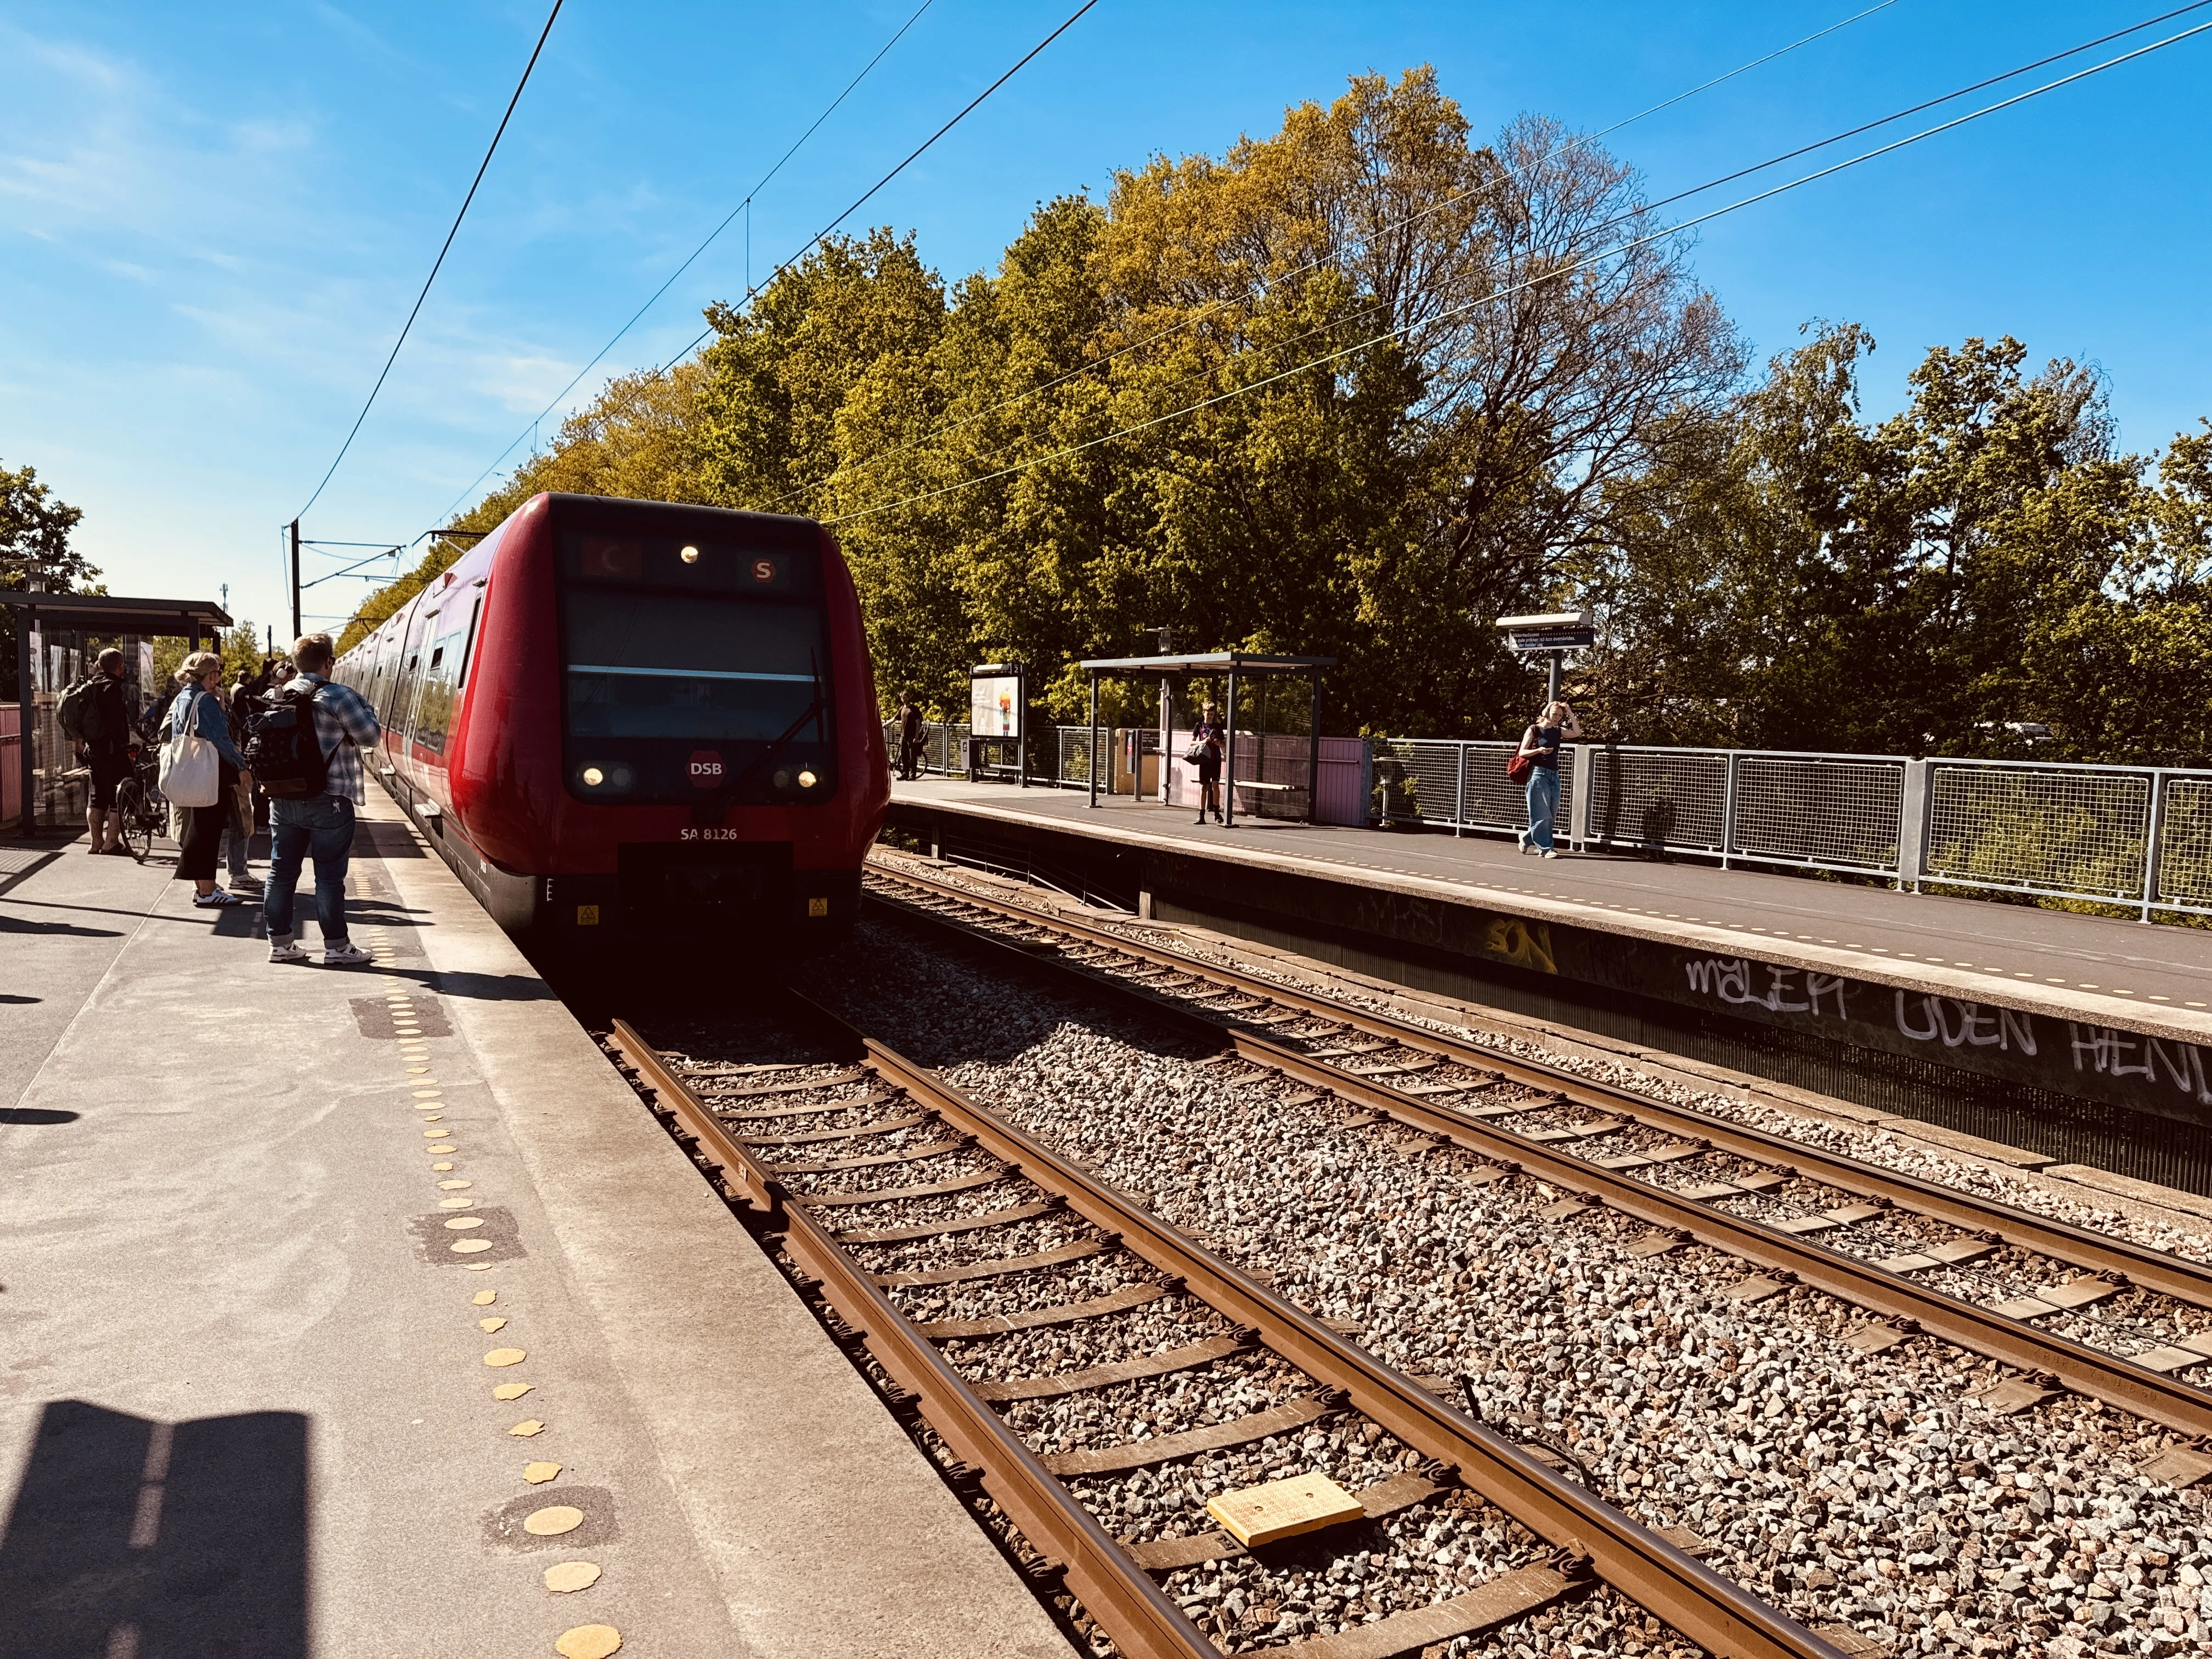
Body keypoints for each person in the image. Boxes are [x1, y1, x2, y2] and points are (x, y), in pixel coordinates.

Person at [263, 633, 381, 967]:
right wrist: (365, 706)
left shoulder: (276, 695)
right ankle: (337, 947)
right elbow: (371, 737)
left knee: (281, 872)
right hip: (329, 799)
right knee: (328, 876)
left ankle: (281, 944)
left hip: (283, 798)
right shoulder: (339, 696)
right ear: (329, 662)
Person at [167, 653, 255, 906]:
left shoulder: (184, 696)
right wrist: (242, 765)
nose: (220, 677)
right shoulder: (204, 700)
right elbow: (221, 739)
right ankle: (207, 891)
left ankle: (203, 887)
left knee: (199, 828)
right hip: (210, 772)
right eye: (218, 673)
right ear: (208, 675)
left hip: (191, 771)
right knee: (209, 831)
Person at [73, 648, 134, 854]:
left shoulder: (89, 687)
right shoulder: (113, 688)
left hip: (93, 751)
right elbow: (115, 724)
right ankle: (111, 843)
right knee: (120, 794)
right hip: (112, 752)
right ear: (120, 666)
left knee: (96, 797)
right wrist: (125, 746)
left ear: (99, 665)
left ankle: (95, 843)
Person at [1516, 699, 1582, 857]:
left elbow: (1577, 733)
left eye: (1560, 715)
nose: (1557, 717)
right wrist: (1539, 750)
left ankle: (1526, 838)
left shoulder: (1558, 731)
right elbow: (1522, 753)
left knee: (1551, 814)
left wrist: (1570, 712)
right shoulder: (1534, 729)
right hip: (1538, 774)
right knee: (1541, 813)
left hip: (1554, 774)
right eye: (1555, 714)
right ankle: (1546, 849)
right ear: (1547, 713)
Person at [1189, 699, 1226, 826]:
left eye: (1212, 714)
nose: (1210, 716)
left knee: (1215, 786)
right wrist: (1203, 741)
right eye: (1207, 714)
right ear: (1203, 713)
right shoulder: (1199, 726)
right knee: (1203, 787)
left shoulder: (1218, 727)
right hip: (1204, 760)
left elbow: (1224, 744)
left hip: (1215, 760)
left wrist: (1217, 743)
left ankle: (1217, 812)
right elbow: (1192, 742)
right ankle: (1201, 815)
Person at [896, 694, 924, 781]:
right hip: (903, 736)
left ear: (909, 698)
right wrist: (883, 725)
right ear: (901, 699)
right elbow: (894, 718)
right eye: (903, 698)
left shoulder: (914, 709)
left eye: (906, 697)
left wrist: (916, 737)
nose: (905, 699)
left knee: (912, 756)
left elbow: (918, 723)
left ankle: (912, 775)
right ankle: (905, 774)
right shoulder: (902, 709)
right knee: (904, 756)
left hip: (912, 737)